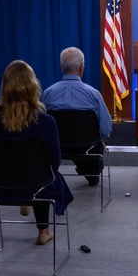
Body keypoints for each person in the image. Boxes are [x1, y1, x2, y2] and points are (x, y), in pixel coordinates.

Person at [0, 60, 73, 246]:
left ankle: (27, 196)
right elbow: (54, 161)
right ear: (32, 85)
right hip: (35, 182)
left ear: (5, 87)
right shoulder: (45, 122)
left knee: (37, 176)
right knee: (45, 177)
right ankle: (43, 231)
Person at [41, 47, 111, 186]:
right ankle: (90, 170)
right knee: (87, 146)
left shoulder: (48, 93)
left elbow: (42, 124)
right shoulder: (94, 94)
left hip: (57, 146)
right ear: (81, 68)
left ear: (62, 67)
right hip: (88, 146)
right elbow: (106, 129)